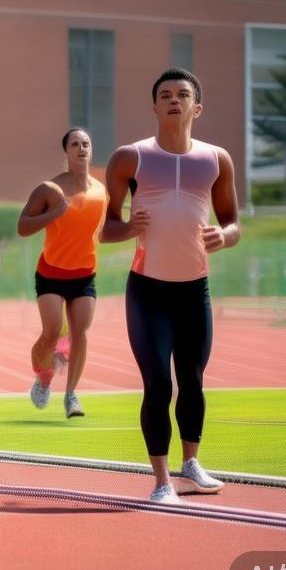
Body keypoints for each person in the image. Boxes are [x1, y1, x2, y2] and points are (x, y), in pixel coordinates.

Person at [102, 68, 240, 504]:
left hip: (194, 290)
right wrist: (128, 228)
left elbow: (233, 222)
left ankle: (192, 463)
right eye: (165, 95)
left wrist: (225, 236)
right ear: (155, 106)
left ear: (197, 107)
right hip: (147, 291)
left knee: (193, 380)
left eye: (183, 95)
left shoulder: (216, 159)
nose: (174, 100)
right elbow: (106, 228)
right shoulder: (131, 158)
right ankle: (161, 480)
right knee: (159, 382)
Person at [16, 127, 107, 418]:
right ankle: (43, 379)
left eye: (86, 144)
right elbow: (23, 226)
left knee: (80, 334)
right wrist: (52, 215)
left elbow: (102, 232)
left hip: (84, 274)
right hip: (52, 273)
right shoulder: (49, 189)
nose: (82, 148)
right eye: (75, 144)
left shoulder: (100, 191)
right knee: (52, 333)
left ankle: (71, 395)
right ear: (66, 152)